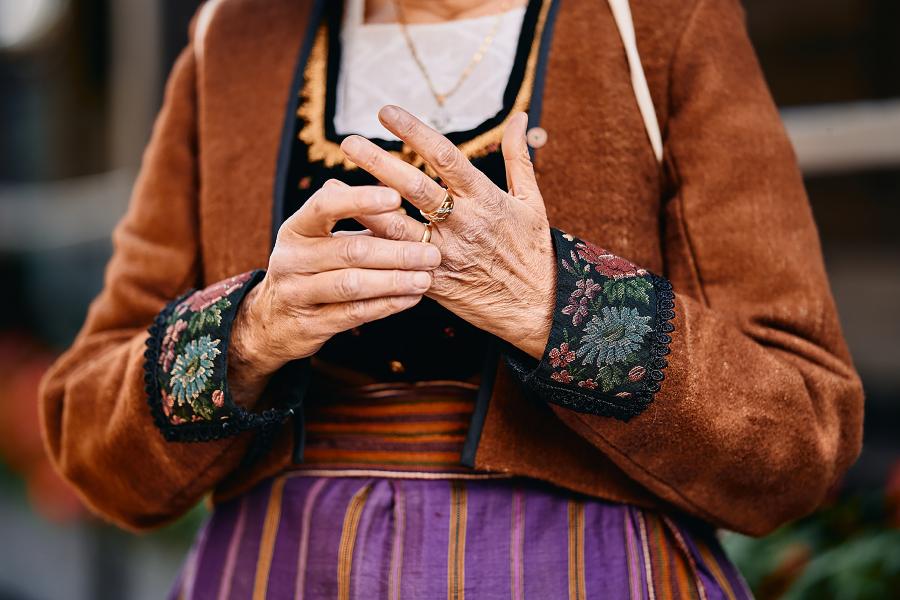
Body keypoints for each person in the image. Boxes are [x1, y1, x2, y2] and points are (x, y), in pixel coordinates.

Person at [39, 0, 864, 597]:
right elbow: (93, 444)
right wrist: (249, 332)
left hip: (583, 567)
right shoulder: (233, 38)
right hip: (279, 568)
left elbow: (802, 434)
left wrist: (558, 305)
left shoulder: (658, 24)